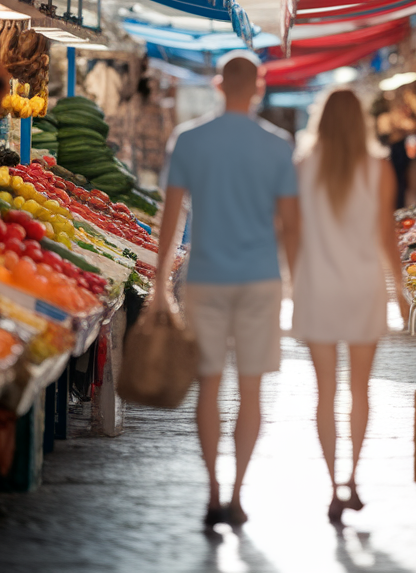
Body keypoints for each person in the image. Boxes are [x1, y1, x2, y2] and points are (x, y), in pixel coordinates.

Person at [152, 51, 300, 529]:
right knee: (251, 389)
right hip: (260, 280)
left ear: (218, 86)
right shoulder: (279, 145)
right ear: (259, 88)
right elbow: (291, 225)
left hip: (205, 278)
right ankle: (237, 494)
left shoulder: (188, 139)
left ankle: (213, 491)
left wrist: (158, 283)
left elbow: (171, 216)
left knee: (209, 387)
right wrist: (296, 286)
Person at [291, 89, 404, 523]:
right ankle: (352, 477)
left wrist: (293, 280)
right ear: (361, 121)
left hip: (316, 287)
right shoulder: (379, 168)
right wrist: (400, 289)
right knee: (360, 390)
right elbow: (386, 236)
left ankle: (331, 483)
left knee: (324, 393)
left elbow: (292, 231)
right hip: (363, 288)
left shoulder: (303, 167)